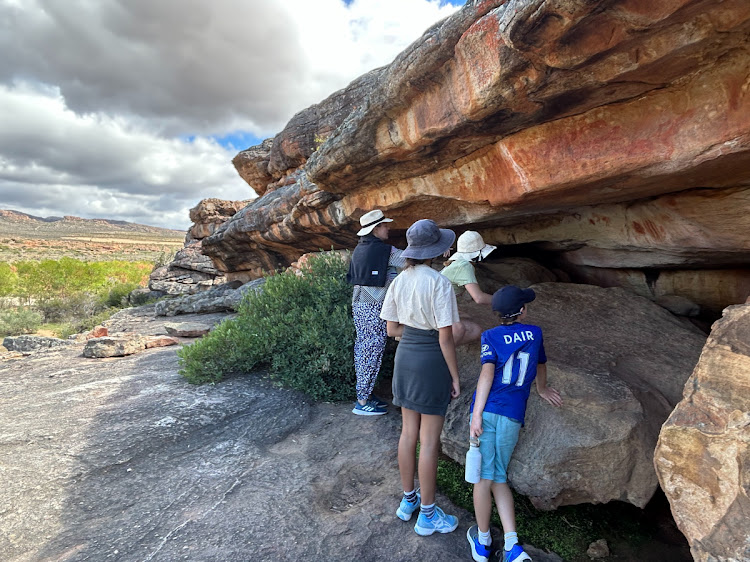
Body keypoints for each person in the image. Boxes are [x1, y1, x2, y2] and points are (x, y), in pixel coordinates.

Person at [466, 286, 563, 562]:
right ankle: (511, 545)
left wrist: (476, 415)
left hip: (487, 412)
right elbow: (540, 364)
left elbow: (487, 375)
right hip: (512, 415)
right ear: (522, 311)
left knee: (483, 479)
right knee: (497, 475)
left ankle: (483, 541)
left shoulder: (490, 336)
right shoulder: (534, 333)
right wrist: (542, 389)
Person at [380, 219, 462, 536]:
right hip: (431, 361)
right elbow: (446, 338)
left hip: (405, 358)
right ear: (435, 250)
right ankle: (427, 516)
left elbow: (392, 330)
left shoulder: (399, 281)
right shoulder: (439, 283)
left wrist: (412, 337)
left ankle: (408, 500)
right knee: (429, 443)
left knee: (407, 434)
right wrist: (454, 377)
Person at [346, 209, 406, 416]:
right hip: (373, 307)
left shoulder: (360, 249)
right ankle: (362, 402)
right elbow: (408, 260)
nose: (388, 227)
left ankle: (366, 394)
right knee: (371, 349)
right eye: (385, 225)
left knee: (365, 348)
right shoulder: (384, 250)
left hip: (360, 304)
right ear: (376, 228)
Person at [440, 231, 496, 345]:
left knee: (471, 325)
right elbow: (479, 298)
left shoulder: (456, 263)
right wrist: (504, 300)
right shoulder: (464, 265)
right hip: (435, 309)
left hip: (437, 307)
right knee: (468, 329)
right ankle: (438, 353)